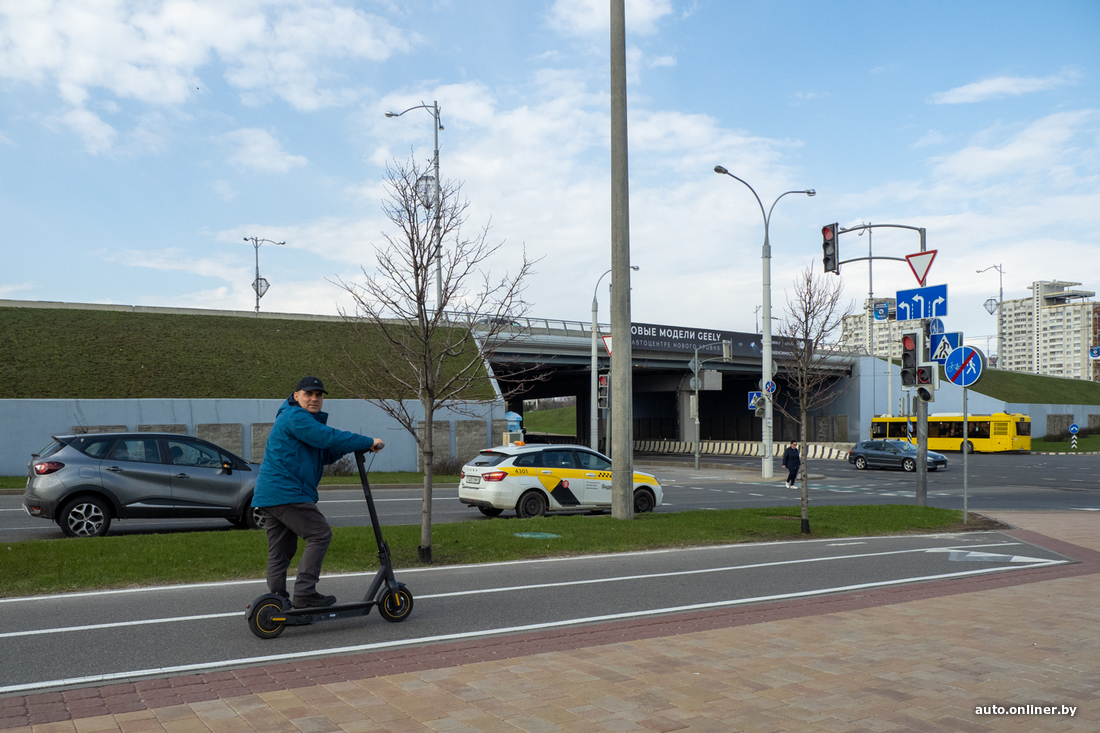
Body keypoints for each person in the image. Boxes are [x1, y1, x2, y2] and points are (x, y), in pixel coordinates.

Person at [253, 376, 384, 608]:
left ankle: (277, 601)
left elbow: (322, 453)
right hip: (287, 491)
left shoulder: (296, 420)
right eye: (308, 394)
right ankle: (304, 592)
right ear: (296, 396)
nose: (314, 399)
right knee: (320, 534)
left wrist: (354, 447)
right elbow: (326, 437)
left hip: (272, 493)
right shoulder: (295, 417)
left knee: (281, 550)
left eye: (319, 395)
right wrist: (365, 440)